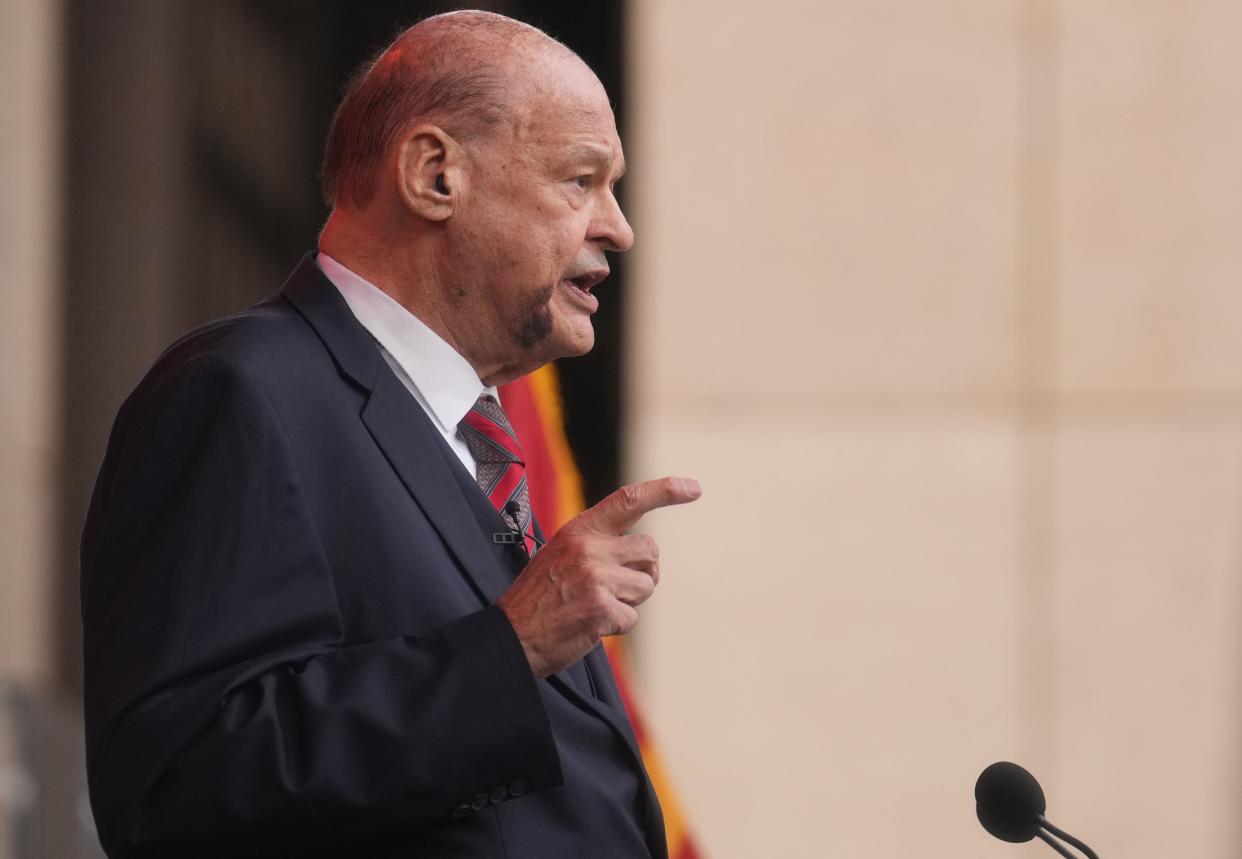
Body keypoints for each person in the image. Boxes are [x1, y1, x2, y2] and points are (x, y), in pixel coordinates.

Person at [80, 11, 701, 858]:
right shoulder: (240, 391)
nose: (617, 227)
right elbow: (179, 788)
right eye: (580, 180)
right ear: (434, 173)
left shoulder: (476, 437)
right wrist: (511, 645)